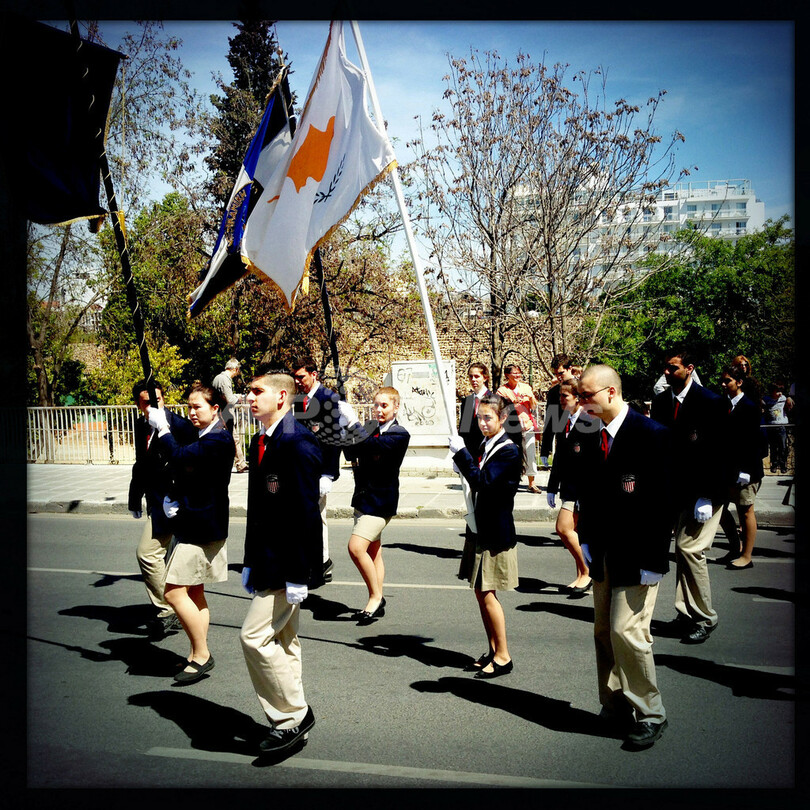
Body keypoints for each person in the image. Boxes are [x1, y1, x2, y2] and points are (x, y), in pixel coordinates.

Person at [576, 364, 673, 749]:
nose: (582, 402)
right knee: (603, 631)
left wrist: (655, 559)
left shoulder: (651, 435)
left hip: (637, 553)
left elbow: (663, 503)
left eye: (587, 395)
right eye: (580, 395)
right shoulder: (591, 434)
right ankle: (614, 702)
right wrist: (585, 539)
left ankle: (651, 712)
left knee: (626, 631)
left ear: (611, 392)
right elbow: (589, 492)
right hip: (602, 550)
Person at [239, 365, 323, 756]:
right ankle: (293, 719)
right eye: (249, 391)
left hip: (286, 563)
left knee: (254, 638)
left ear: (281, 396)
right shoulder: (264, 439)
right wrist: (249, 561)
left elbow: (306, 514)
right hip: (267, 559)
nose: (249, 397)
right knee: (285, 641)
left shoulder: (297, 442)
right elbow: (259, 510)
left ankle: (292, 717)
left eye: (257, 391)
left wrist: (299, 574)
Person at [146, 382, 235, 684]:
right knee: (195, 593)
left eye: (198, 407)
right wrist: (175, 496)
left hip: (203, 527)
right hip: (197, 522)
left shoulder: (218, 438)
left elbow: (182, 457)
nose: (192, 412)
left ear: (215, 408)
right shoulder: (205, 432)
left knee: (172, 592)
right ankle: (196, 652)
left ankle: (202, 655)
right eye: (189, 407)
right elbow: (189, 472)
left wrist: (163, 429)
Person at [650, 349, 731, 645]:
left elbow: (720, 453)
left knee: (689, 549)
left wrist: (707, 496)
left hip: (706, 491)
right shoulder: (662, 402)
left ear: (689, 368)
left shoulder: (711, 402)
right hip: (677, 490)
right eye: (665, 368)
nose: (667, 372)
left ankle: (705, 617)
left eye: (673, 367)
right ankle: (686, 613)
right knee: (683, 551)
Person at [449, 393, 521, 679]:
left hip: (495, 530)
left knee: (487, 592)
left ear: (503, 418)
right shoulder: (486, 442)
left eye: (488, 418)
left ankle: (503, 656)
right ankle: (492, 649)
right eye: (479, 417)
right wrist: (462, 463)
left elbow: (483, 482)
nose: (482, 423)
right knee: (480, 592)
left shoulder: (509, 450)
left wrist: (461, 455)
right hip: (480, 525)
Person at [128, 379, 196, 638]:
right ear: (138, 405)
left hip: (174, 503)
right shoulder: (141, 424)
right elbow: (141, 464)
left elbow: (191, 465)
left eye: (158, 400)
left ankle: (168, 609)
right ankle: (178, 605)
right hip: (154, 499)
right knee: (167, 558)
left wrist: (180, 498)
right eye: (147, 402)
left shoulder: (181, 427)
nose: (154, 406)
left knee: (147, 554)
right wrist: (135, 497)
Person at [343, 386, 410, 624]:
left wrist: (355, 426)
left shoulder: (400, 434)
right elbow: (350, 452)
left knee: (355, 548)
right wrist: (347, 428)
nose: (378, 410)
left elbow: (373, 447)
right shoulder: (371, 428)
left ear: (396, 407)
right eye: (376, 405)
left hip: (381, 502)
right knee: (373, 552)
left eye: (384, 405)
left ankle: (376, 597)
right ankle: (376, 599)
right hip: (363, 497)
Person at [292, 356, 345, 584]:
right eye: (295, 377)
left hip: (319, 468)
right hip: (302, 467)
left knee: (317, 516)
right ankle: (311, 560)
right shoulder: (299, 400)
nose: (298, 381)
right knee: (303, 516)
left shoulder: (328, 398)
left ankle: (322, 562)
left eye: (301, 377)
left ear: (314, 374)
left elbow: (334, 437)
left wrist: (328, 473)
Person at [546, 381, 597, 592]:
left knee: (563, 528)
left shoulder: (590, 421)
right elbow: (559, 456)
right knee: (574, 531)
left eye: (565, 396)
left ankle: (587, 570)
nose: (561, 400)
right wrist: (552, 487)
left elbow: (592, 461)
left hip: (581, 488)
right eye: (560, 396)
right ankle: (581, 575)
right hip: (567, 486)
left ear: (577, 398)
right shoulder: (564, 420)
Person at [718, 365, 764, 569]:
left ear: (739, 382)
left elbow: (753, 442)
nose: (723, 384)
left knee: (745, 511)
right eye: (722, 380)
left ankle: (747, 555)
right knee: (719, 509)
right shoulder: (724, 405)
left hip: (746, 470)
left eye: (727, 380)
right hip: (728, 469)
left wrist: (746, 470)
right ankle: (735, 548)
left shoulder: (749, 407)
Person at [497, 363, 541, 493]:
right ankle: (512, 481)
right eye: (514, 373)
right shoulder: (502, 390)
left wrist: (530, 398)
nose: (517, 375)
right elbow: (500, 407)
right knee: (513, 454)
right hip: (511, 427)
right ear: (507, 375)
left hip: (527, 425)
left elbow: (533, 406)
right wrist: (513, 402)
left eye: (519, 373)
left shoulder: (526, 387)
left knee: (530, 454)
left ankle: (532, 483)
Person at [539, 353, 578, 469]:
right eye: (556, 374)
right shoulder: (553, 393)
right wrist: (545, 449)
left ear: (570, 369)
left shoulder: (584, 388)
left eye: (561, 373)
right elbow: (550, 421)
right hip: (562, 444)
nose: (558, 377)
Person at [212, 358, 248, 473]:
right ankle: (240, 464)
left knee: (228, 439)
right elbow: (230, 400)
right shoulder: (224, 380)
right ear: (235, 369)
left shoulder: (218, 378)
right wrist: (238, 397)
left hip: (219, 413)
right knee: (233, 439)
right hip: (225, 413)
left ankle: (239, 463)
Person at [458, 362, 492, 455]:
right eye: (471, 376)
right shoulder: (467, 401)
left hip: (488, 450)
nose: (473, 379)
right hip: (471, 453)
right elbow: (464, 431)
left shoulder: (494, 400)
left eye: (477, 376)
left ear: (485, 378)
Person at [762, 380, 791, 473]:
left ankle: (783, 465)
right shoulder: (766, 399)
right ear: (772, 391)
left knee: (783, 446)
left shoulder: (784, 398)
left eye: (781, 391)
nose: (780, 393)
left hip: (781, 425)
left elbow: (790, 402)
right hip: (771, 426)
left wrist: (789, 399)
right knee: (773, 447)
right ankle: (774, 464)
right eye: (777, 391)